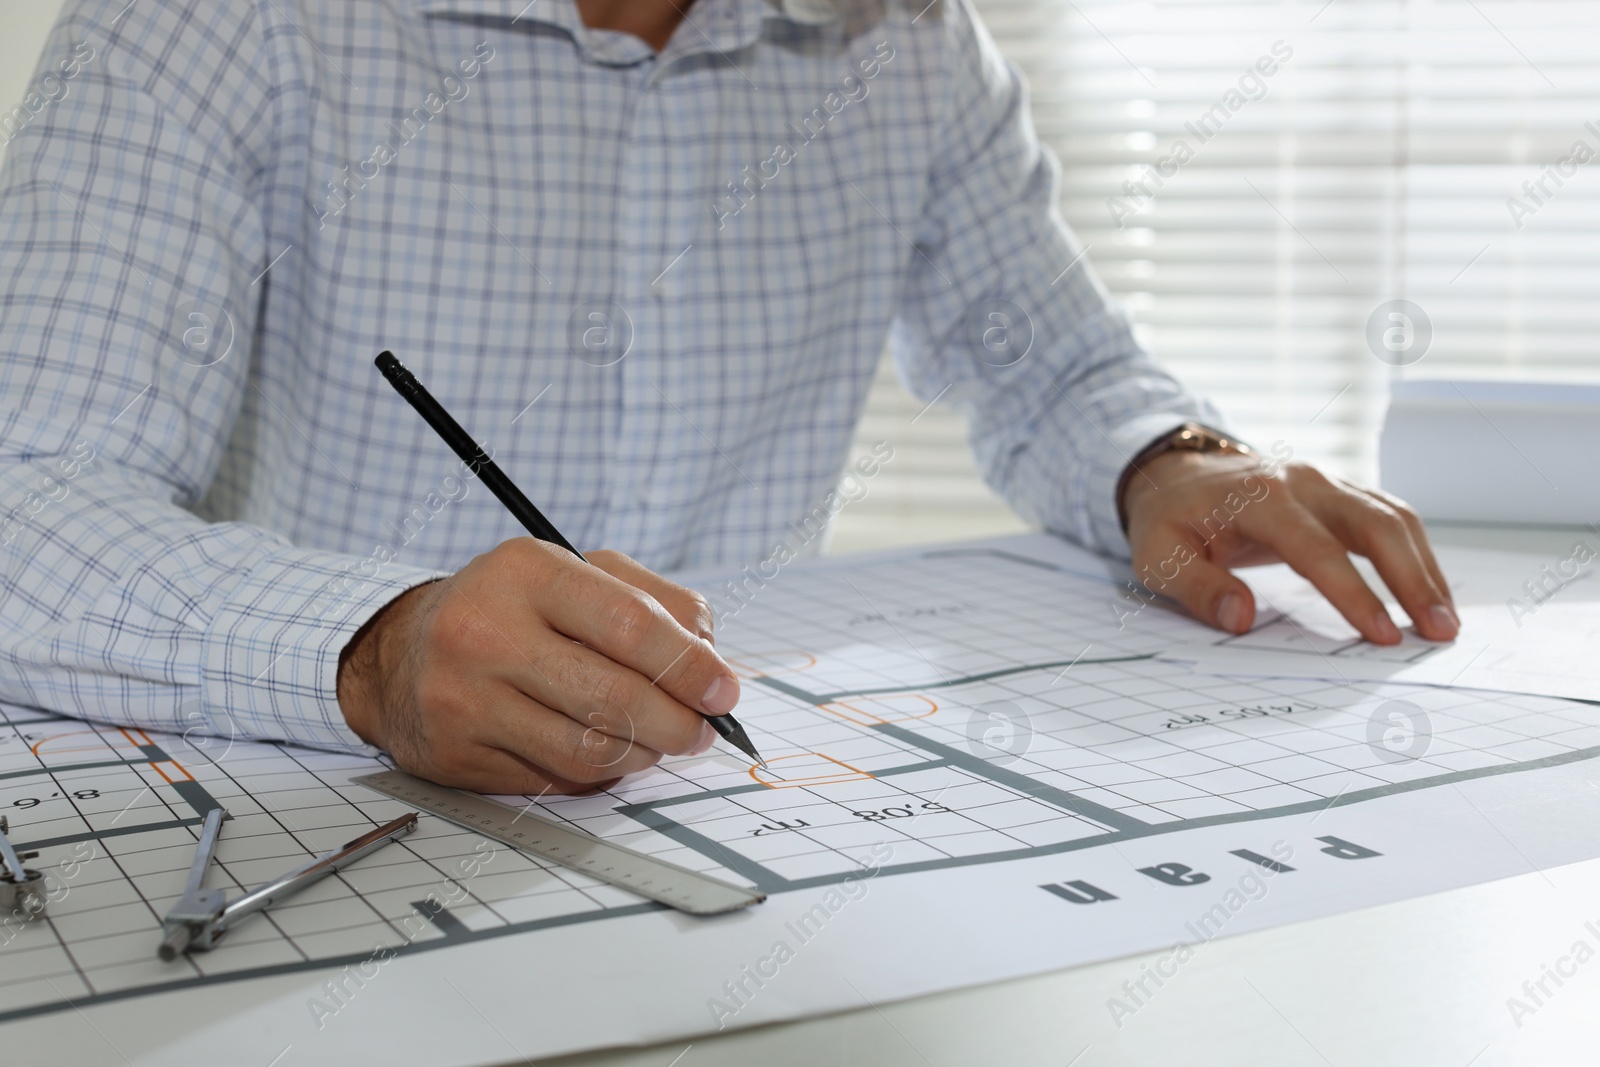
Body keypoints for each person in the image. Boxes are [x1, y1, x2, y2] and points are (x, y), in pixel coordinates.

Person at [0, 0, 1457, 797]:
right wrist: (372, 648)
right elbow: (28, 504)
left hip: (726, 813)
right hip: (300, 819)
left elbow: (1055, 364)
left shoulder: (912, 45)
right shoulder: (200, 23)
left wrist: (1168, 462)